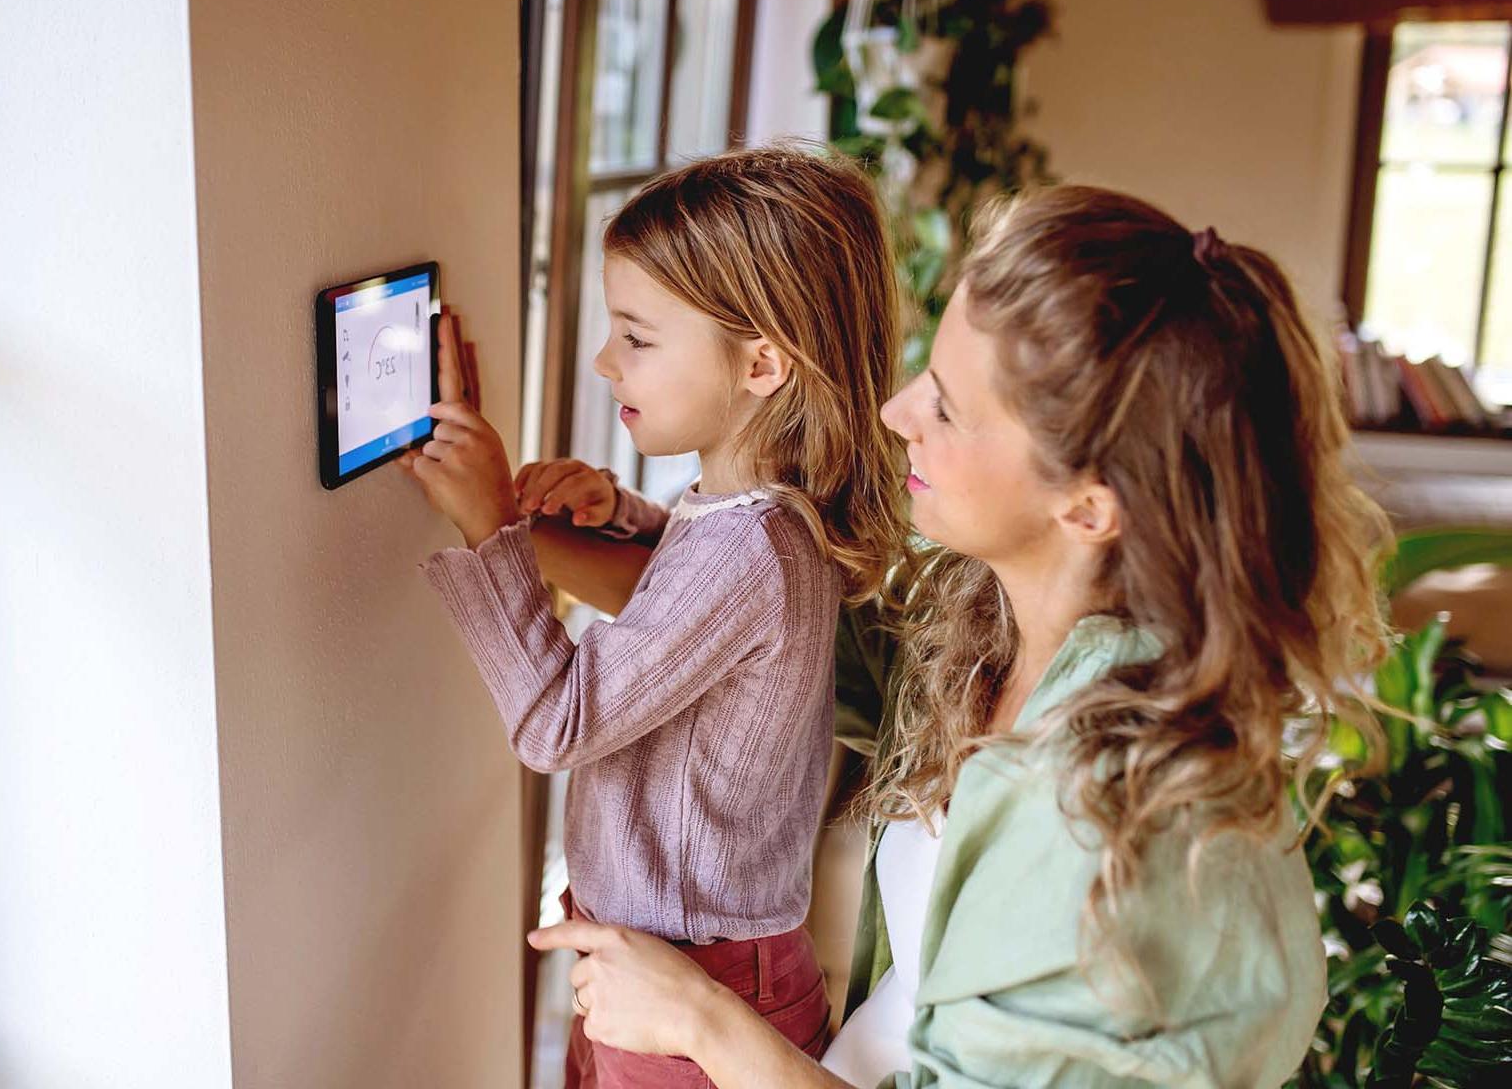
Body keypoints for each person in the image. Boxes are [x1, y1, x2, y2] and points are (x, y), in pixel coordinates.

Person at [528, 185, 1391, 1088]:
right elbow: (716, 620)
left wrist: (702, 1019)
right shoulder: (987, 627)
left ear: (1089, 505)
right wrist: (518, 524)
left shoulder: (1116, 824)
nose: (897, 412)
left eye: (944, 405)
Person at [401, 146, 909, 1089]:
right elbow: (686, 605)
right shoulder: (755, 512)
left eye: (635, 337)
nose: (604, 361)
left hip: (696, 983)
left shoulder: (749, 547)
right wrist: (619, 515)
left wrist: (489, 532)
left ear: (762, 362)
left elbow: (557, 723)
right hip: (665, 963)